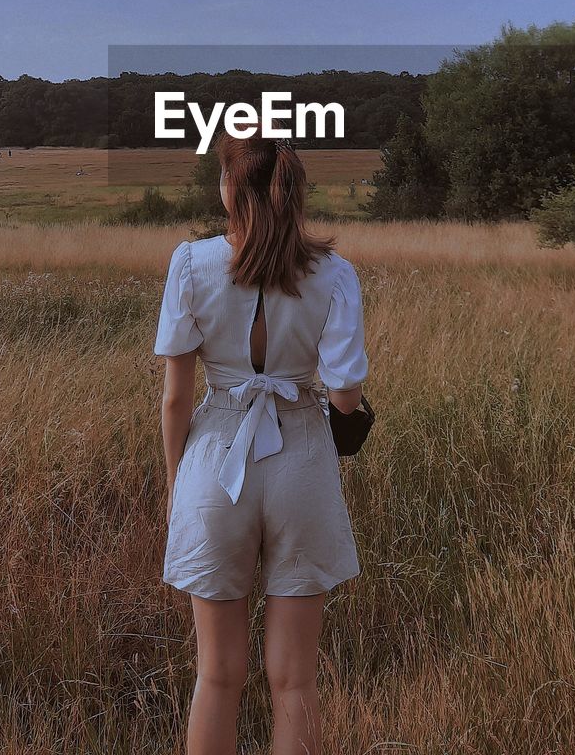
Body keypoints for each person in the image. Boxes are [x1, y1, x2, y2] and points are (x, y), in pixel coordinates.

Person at [154, 131, 369, 755]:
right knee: (295, 680)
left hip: (215, 458)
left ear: (228, 191)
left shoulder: (190, 265)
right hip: (300, 452)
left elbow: (175, 397)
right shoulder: (335, 274)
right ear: (296, 196)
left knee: (217, 674)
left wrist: (176, 489)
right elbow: (346, 394)